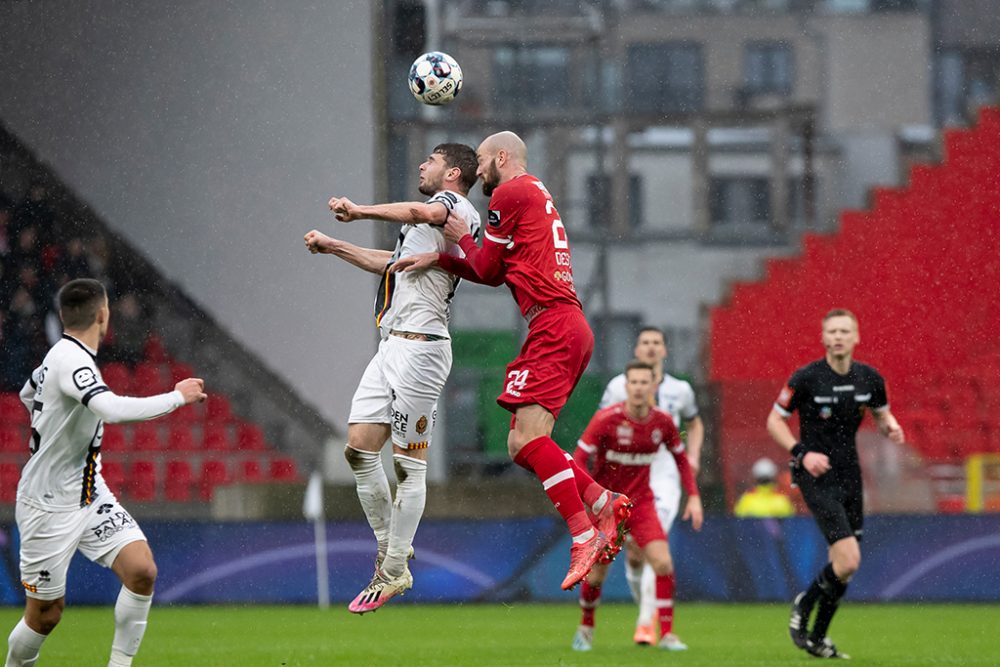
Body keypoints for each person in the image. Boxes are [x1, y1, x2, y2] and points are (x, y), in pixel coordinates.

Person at [392, 131, 632, 590]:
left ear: (503, 157)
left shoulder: (510, 191)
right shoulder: (532, 193)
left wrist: (460, 237)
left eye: (481, 161)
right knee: (522, 445)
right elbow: (495, 270)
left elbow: (483, 266)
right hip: (564, 325)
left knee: (526, 442)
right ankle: (603, 503)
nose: (479, 170)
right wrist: (443, 259)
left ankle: (583, 532)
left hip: (552, 326)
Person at [303, 143, 481, 613]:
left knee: (408, 465)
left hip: (422, 350)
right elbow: (391, 264)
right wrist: (334, 246)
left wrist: (358, 211)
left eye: (432, 160)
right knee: (358, 450)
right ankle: (391, 549)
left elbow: (419, 209)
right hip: (390, 346)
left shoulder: (452, 207)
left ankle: (394, 569)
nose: (422, 164)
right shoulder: (422, 230)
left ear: (453, 173)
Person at [5, 278, 206, 667]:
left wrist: (53, 429)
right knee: (45, 615)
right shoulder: (72, 360)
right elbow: (110, 410)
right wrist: (177, 397)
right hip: (47, 506)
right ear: (102, 314)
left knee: (141, 570)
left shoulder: (59, 356)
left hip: (87, 490)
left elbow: (27, 394)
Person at [767, 308, 904, 659]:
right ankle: (804, 603)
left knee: (842, 566)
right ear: (824, 338)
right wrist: (801, 452)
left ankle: (818, 638)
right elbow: (774, 421)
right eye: (833, 331)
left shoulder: (870, 378)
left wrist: (891, 425)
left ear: (856, 337)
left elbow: (881, 412)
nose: (839, 337)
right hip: (814, 474)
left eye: (845, 331)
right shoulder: (807, 378)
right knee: (848, 560)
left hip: (849, 474)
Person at [570, 360, 703, 652]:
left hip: (641, 504)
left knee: (663, 563)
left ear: (654, 386)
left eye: (645, 382)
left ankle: (667, 634)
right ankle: (586, 627)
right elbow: (578, 459)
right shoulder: (606, 419)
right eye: (634, 382)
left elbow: (681, 460)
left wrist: (693, 495)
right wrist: (589, 497)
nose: (639, 388)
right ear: (625, 386)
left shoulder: (663, 422)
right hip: (606, 508)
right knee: (596, 575)